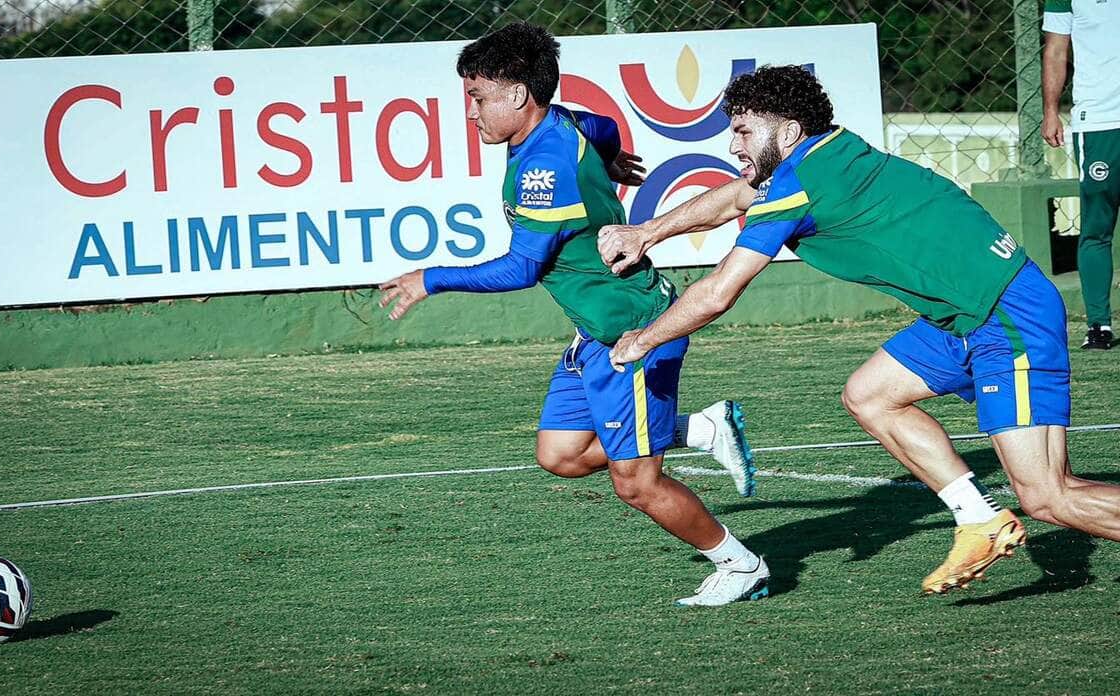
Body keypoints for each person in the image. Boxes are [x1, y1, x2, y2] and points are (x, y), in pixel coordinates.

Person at [599, 65, 1120, 595]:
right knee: (870, 394)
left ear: (788, 131)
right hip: (965, 313)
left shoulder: (798, 186)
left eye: (743, 131)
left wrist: (641, 341)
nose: (733, 144)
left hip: (1005, 314)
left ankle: (995, 518)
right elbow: (736, 197)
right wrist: (647, 231)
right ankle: (980, 519)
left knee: (1047, 496)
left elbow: (717, 293)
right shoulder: (828, 152)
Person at [378, 22, 769, 607]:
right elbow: (605, 127)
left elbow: (522, 268)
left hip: (631, 333)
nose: (471, 113)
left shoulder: (544, 168)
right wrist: (610, 161)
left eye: (477, 98)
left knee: (636, 484)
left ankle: (741, 565)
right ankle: (704, 428)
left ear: (516, 95)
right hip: (595, 329)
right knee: (559, 454)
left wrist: (429, 278)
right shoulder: (565, 121)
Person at [1042, 0, 1120, 350]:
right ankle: (1099, 325)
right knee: (1097, 226)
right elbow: (1056, 49)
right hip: (1099, 122)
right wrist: (1050, 110)